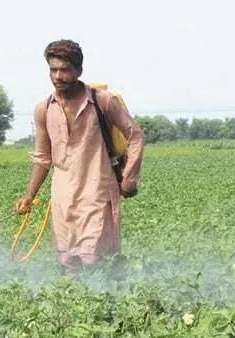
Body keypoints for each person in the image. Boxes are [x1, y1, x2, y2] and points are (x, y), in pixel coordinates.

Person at [14, 39, 146, 273]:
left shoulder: (101, 101)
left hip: (97, 194)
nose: (58, 76)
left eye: (64, 69)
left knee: (95, 260)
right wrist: (29, 195)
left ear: (78, 70)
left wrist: (129, 178)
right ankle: (80, 308)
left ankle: (109, 304)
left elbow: (135, 136)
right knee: (69, 263)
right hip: (63, 198)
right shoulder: (44, 109)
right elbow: (43, 157)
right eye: (53, 70)